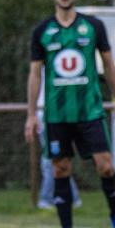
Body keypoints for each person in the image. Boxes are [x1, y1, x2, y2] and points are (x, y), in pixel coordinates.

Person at [25, 0, 115, 228]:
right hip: (56, 115)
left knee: (105, 166)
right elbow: (35, 75)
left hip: (90, 112)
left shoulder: (93, 26)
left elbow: (109, 65)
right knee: (60, 168)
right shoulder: (42, 32)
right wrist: (30, 116)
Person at [34, 80, 82, 209]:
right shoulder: (39, 65)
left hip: (55, 115)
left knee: (52, 160)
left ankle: (47, 198)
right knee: (54, 160)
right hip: (43, 115)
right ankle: (72, 197)